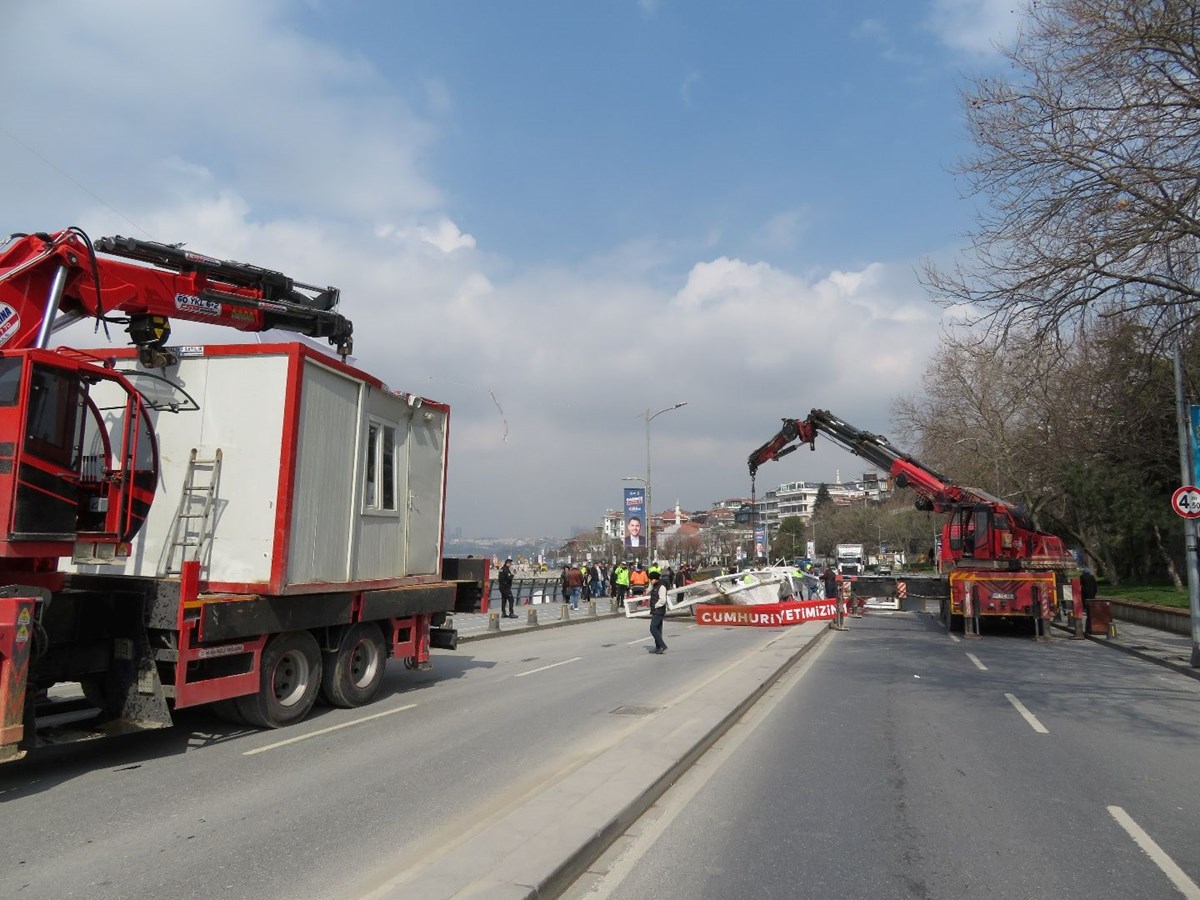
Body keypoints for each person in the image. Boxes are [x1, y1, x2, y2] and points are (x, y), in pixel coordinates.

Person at [648, 569, 668, 653]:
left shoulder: (661, 587)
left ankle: (662, 645)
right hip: (655, 610)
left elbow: (663, 600)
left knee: (653, 628)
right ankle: (658, 646)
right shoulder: (654, 586)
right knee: (658, 629)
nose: (650, 581)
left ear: (655, 579)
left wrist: (656, 606)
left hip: (659, 610)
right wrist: (651, 585)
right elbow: (647, 592)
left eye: (651, 579)